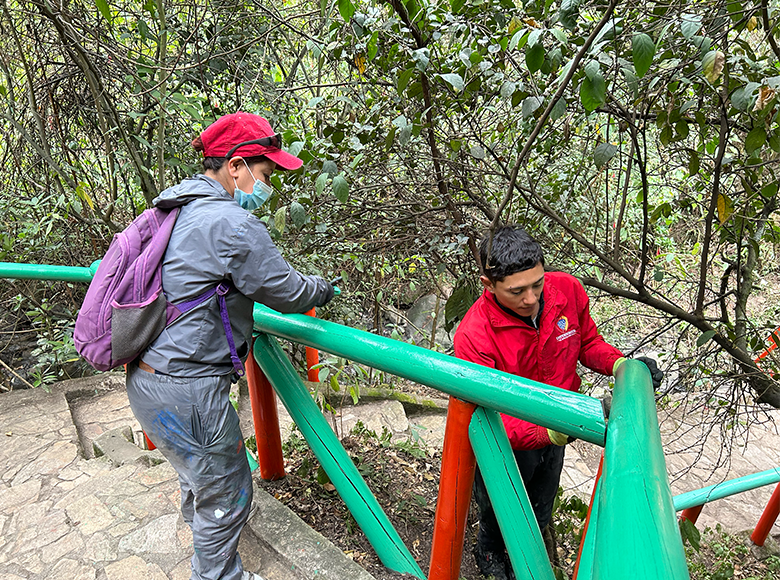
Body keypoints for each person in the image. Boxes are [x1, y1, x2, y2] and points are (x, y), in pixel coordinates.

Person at [125, 112, 334, 580]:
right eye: (265, 174)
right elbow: (285, 291)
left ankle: (210, 561)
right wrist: (323, 288)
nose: (268, 186)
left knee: (199, 479)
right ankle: (217, 575)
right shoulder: (233, 223)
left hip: (148, 378)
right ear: (236, 166)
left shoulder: (176, 208)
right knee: (227, 490)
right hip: (189, 389)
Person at [453, 225, 662, 580]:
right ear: (488, 284)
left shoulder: (567, 290)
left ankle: (530, 552)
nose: (532, 298)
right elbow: (487, 416)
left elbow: (587, 342)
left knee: (542, 498)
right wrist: (548, 432)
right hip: (508, 439)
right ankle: (488, 551)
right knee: (496, 504)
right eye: (517, 291)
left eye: (537, 284)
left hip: (559, 427)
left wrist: (621, 365)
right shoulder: (475, 334)